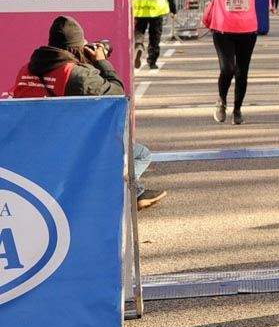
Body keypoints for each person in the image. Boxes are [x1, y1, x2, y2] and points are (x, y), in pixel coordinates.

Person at [10, 16, 166, 210]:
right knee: (141, 154)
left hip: (29, 150)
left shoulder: (25, 70)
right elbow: (116, 93)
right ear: (75, 48)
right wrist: (100, 61)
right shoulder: (76, 75)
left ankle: (137, 192)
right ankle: (112, 193)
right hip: (72, 150)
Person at [199, 0, 279, 125]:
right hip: (223, 31)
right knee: (228, 68)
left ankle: (237, 108)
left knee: (242, 72)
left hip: (247, 32)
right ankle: (222, 102)